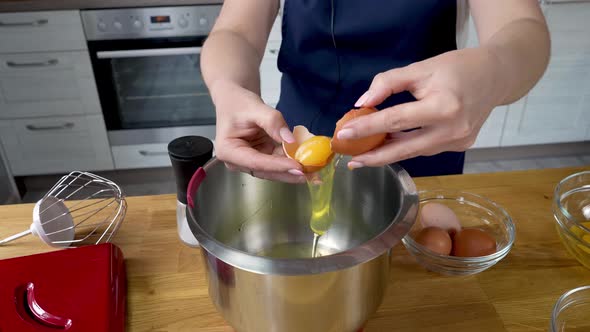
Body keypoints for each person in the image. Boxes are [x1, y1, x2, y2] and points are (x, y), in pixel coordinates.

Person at [201, 0, 550, 182]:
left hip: (425, 142)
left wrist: (496, 70)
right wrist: (227, 87)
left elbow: (522, 27)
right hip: (296, 140)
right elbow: (236, 31)